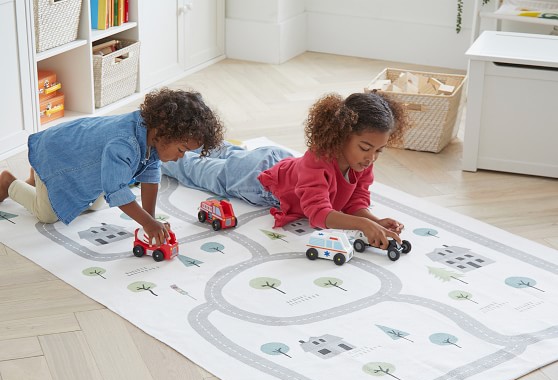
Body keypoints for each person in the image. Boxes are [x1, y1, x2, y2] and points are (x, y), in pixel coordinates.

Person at [162, 91, 408, 249]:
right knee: (194, 167)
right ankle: (159, 153)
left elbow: (354, 201)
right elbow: (318, 214)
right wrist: (362, 225)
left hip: (277, 161)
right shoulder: (319, 160)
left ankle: (200, 141)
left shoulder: (361, 163)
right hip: (256, 180)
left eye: (379, 150)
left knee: (227, 153)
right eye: (365, 148)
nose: (371, 158)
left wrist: (375, 222)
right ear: (342, 135)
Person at [0, 87, 224, 245]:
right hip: (57, 155)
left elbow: (150, 177)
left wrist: (150, 220)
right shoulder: (124, 144)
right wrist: (148, 223)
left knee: (93, 205)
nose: (180, 158)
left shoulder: (153, 136)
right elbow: (116, 190)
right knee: (47, 215)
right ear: (164, 130)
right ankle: (9, 182)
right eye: (182, 150)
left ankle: (38, 180)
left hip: (78, 160)